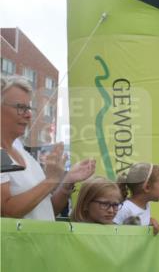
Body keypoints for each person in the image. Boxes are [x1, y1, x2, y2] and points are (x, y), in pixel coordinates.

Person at [1, 75, 96, 220]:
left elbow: (46, 209)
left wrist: (67, 181)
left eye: (29, 108)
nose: (28, 115)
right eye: (20, 107)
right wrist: (50, 180)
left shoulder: (24, 155)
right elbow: (6, 211)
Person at [114, 162, 159, 234]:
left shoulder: (146, 205)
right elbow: (112, 234)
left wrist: (150, 221)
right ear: (147, 187)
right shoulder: (124, 209)